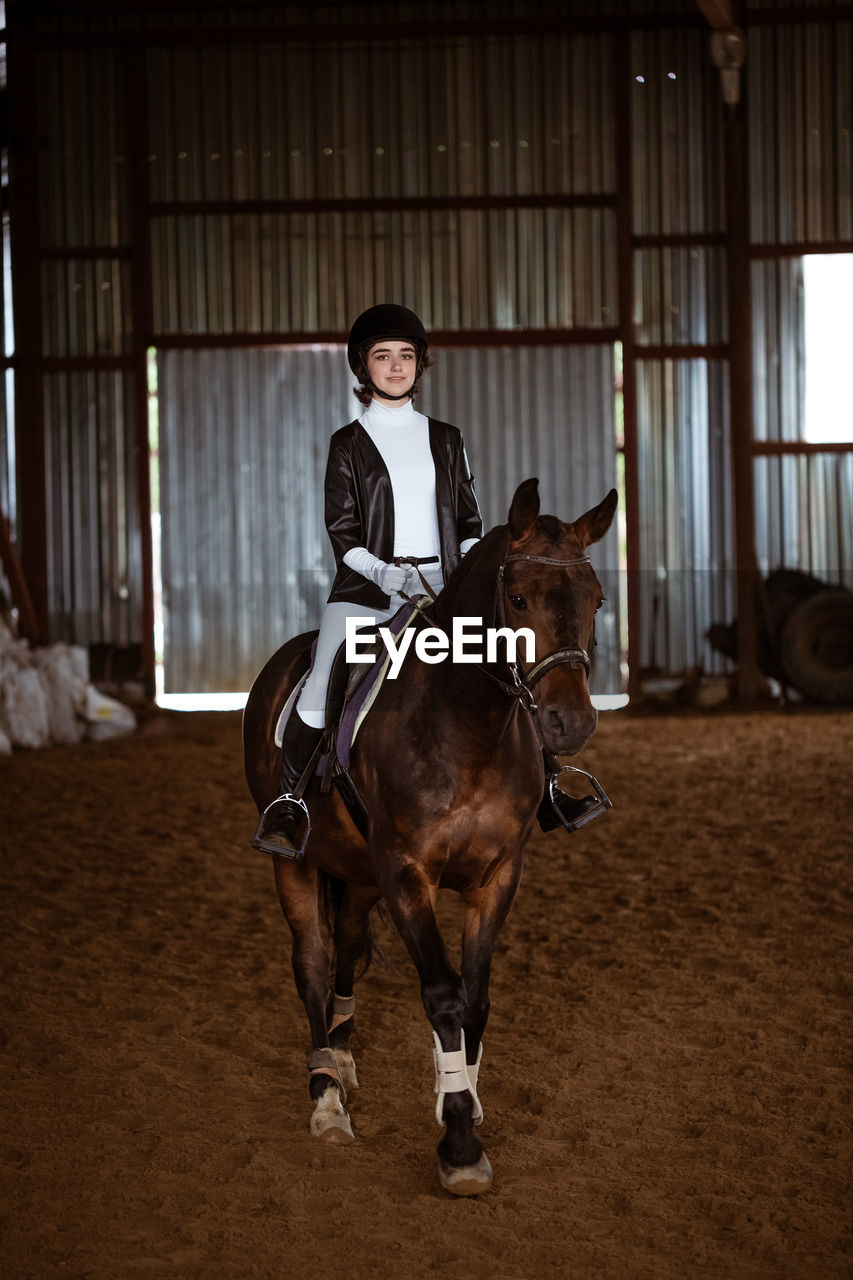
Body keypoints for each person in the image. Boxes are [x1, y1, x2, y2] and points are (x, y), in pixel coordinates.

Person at [253, 303, 598, 858]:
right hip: (367, 592)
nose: (396, 367)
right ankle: (290, 803)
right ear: (362, 368)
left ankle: (551, 784)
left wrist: (466, 565)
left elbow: (468, 522)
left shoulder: (447, 439)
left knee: (509, 667)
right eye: (383, 357)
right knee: (321, 679)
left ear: (420, 365)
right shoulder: (347, 444)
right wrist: (389, 574)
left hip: (446, 590)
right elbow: (344, 534)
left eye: (406, 357)